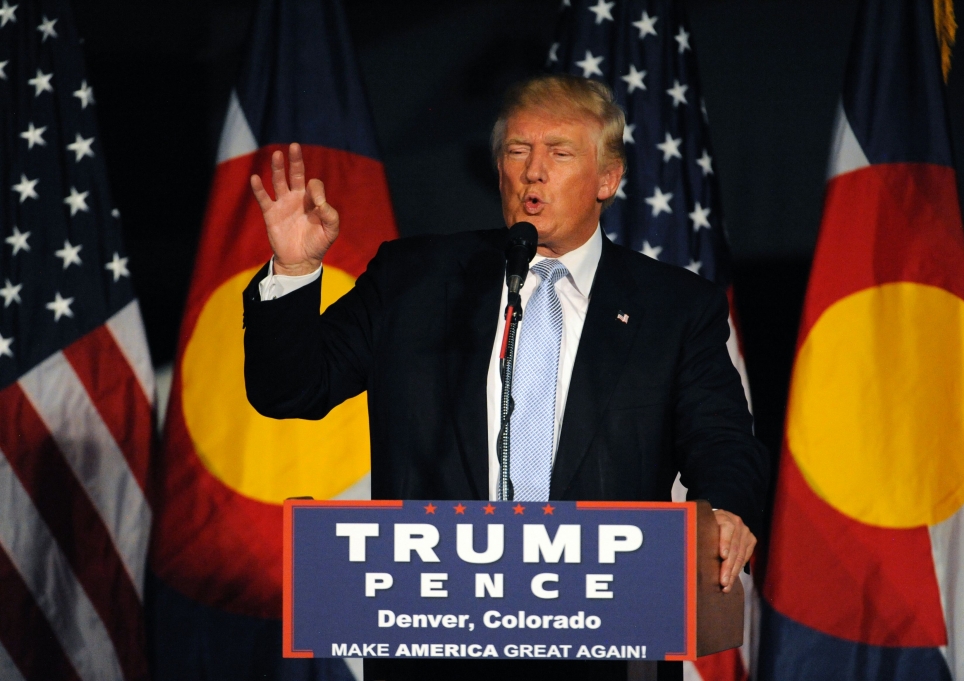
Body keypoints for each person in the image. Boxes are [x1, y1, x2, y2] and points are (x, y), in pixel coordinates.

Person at [244, 74, 768, 681]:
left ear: (608, 179)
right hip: (434, 642)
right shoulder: (413, 280)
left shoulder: (674, 309)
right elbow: (291, 389)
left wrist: (727, 509)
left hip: (604, 642)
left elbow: (723, 440)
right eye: (518, 151)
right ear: (499, 171)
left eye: (560, 153)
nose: (533, 172)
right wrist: (295, 269)